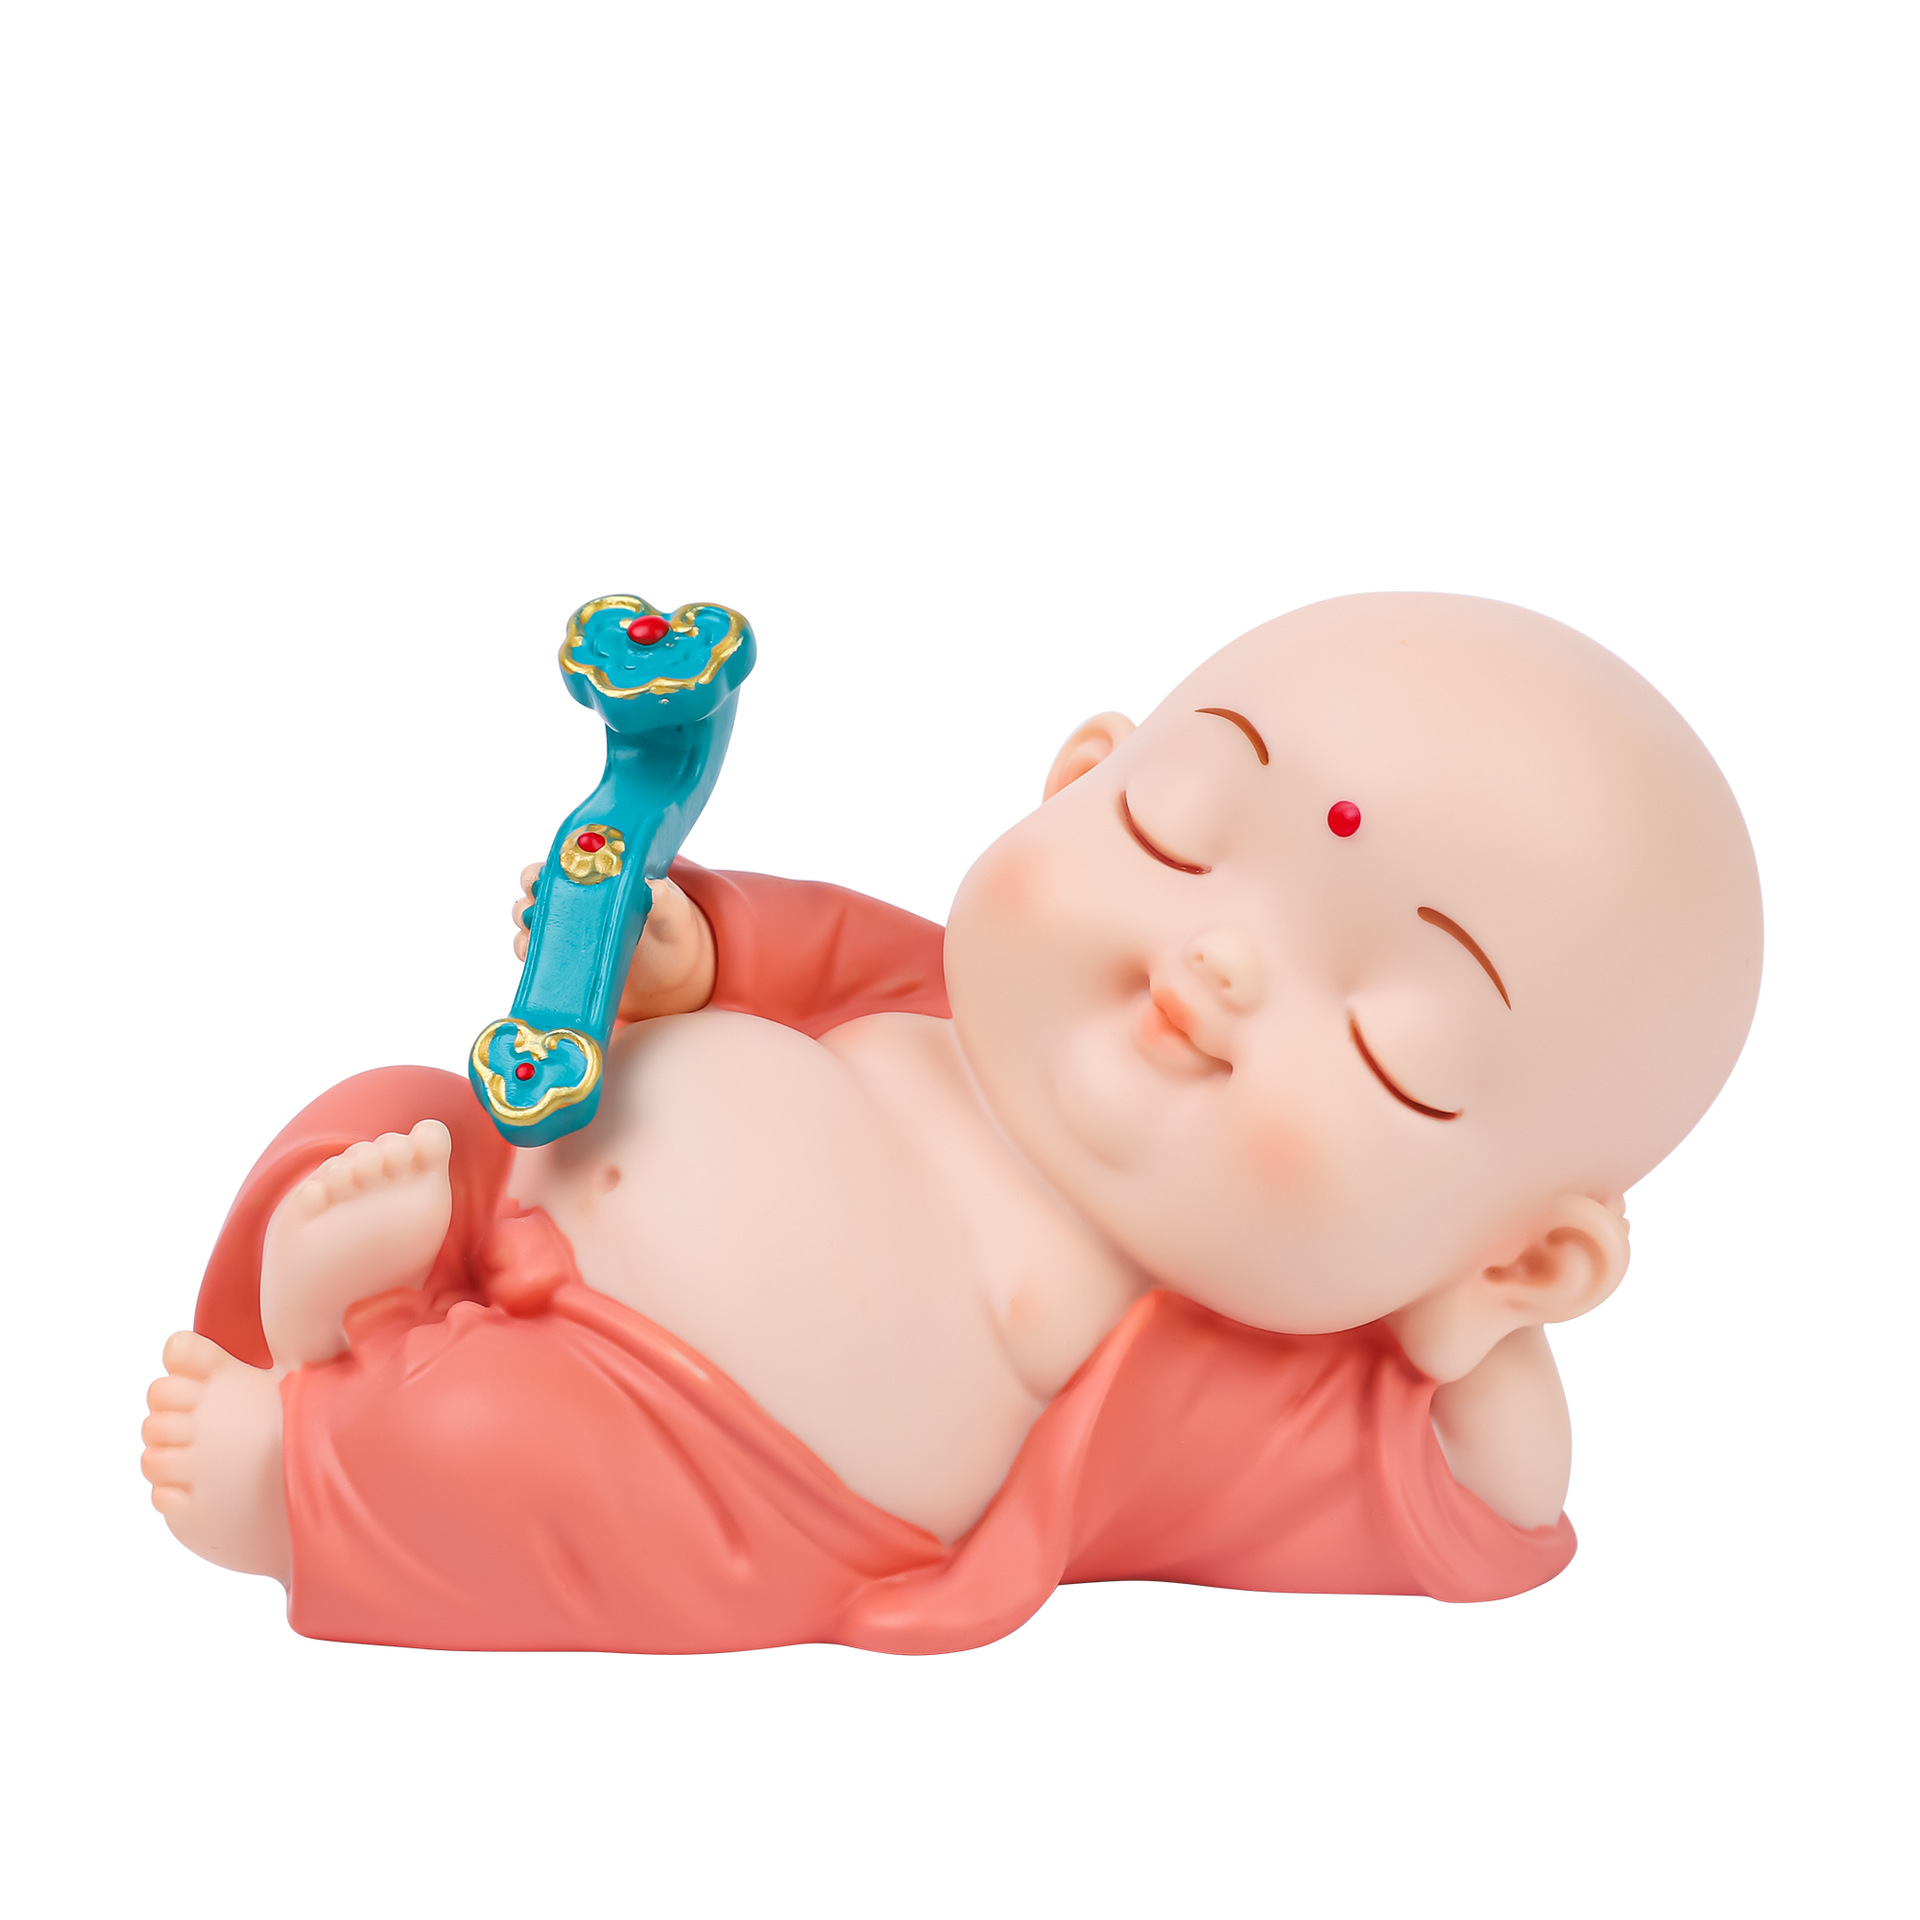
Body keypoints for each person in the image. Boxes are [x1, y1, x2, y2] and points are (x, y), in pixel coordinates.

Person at [138, 592, 1762, 1653]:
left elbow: (1500, 1489)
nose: (1216, 963)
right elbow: (797, 950)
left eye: (1390, 1045)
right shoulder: (940, 992)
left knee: (522, 1471)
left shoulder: (1243, 1371)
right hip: (535, 1167)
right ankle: (370, 1304)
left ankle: (314, 1460)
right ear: (1078, 778)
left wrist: (1472, 1318)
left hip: (712, 1463)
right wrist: (686, 950)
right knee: (393, 1117)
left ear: (1523, 1255)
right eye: (1176, 830)